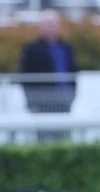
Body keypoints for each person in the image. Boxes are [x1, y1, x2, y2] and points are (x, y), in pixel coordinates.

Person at [19, 9, 80, 141]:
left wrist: (72, 95)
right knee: (44, 138)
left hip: (63, 101)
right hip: (42, 103)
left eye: (52, 23)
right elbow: (25, 78)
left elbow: (73, 72)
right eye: (47, 23)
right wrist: (31, 103)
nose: (50, 26)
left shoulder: (66, 47)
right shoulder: (31, 49)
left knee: (63, 137)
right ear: (40, 25)